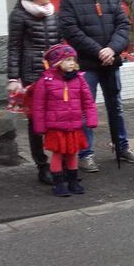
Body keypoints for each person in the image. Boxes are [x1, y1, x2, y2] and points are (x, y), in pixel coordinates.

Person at [59, 0, 134, 172]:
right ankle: (86, 153)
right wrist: (98, 51)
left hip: (111, 62)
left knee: (115, 106)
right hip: (87, 64)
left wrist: (112, 49)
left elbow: (123, 26)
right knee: (85, 110)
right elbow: (71, 31)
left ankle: (122, 146)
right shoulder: (69, 0)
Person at [7, 0, 62, 185]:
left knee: (57, 119)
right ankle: (42, 166)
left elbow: (58, 44)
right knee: (36, 122)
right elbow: (14, 48)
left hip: (55, 74)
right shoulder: (19, 15)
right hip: (32, 75)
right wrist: (14, 77)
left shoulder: (51, 13)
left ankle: (60, 160)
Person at [31, 44, 97, 197]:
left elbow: (88, 102)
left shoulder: (79, 79)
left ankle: (73, 181)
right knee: (58, 154)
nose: (71, 63)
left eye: (73, 59)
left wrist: (91, 119)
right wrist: (40, 127)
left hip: (74, 125)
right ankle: (58, 184)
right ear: (57, 62)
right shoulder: (46, 81)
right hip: (56, 127)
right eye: (67, 60)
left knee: (73, 153)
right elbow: (38, 106)